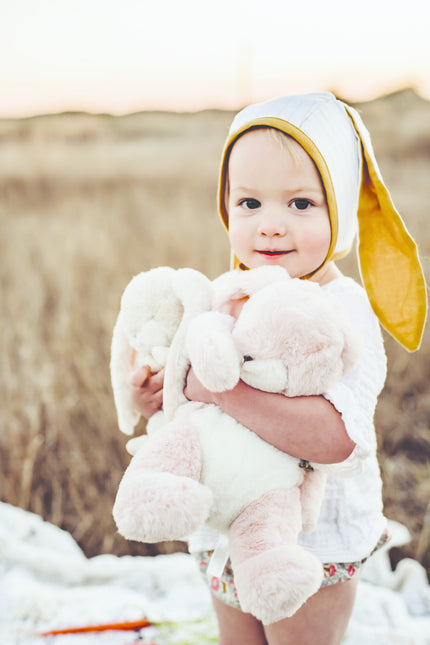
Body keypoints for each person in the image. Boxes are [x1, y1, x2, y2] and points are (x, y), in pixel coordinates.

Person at [126, 93, 427, 645]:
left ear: (337, 208)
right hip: (226, 525)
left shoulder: (343, 312)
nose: (269, 227)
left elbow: (338, 438)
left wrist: (223, 393)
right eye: (249, 203)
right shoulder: (228, 293)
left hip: (310, 544)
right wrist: (159, 392)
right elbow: (189, 389)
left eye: (301, 205)